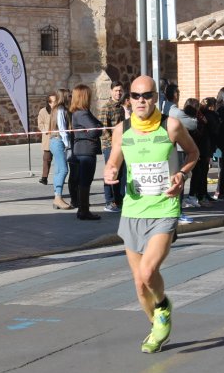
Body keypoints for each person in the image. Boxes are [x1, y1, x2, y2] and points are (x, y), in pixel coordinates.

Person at [104, 75, 198, 353]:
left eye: (147, 95)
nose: (141, 101)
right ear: (128, 99)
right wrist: (110, 171)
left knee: (147, 272)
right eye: (136, 96)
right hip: (132, 210)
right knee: (139, 284)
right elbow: (113, 161)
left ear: (155, 97)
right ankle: (158, 322)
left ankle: (162, 307)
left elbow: (193, 153)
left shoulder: (171, 126)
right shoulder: (122, 130)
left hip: (164, 208)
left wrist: (181, 173)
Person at [162, 84, 197, 223]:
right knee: (178, 179)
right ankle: (178, 212)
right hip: (178, 149)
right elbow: (192, 124)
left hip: (166, 148)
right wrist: (196, 118)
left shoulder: (163, 107)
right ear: (175, 94)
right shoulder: (175, 111)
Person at [71, 84, 103, 220]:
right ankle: (84, 210)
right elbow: (96, 130)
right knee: (85, 181)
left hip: (81, 150)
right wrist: (94, 131)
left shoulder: (80, 112)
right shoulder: (82, 113)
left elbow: (98, 125)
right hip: (86, 150)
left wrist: (96, 128)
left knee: (82, 180)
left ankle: (82, 209)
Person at [99, 81, 125, 213]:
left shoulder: (121, 107)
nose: (118, 93)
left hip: (121, 146)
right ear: (111, 91)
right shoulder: (106, 107)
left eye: (120, 90)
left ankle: (119, 201)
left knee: (121, 174)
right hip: (109, 145)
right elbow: (104, 130)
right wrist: (114, 143)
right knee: (110, 172)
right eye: (116, 90)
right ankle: (109, 201)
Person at [48, 88, 73, 210]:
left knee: (58, 170)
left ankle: (57, 196)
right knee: (63, 170)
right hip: (58, 141)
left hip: (54, 140)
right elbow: (63, 129)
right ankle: (57, 197)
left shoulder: (55, 109)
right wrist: (67, 144)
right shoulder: (61, 109)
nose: (70, 97)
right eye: (69, 95)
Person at [37, 93, 56, 185]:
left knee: (60, 159)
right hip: (48, 138)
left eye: (55, 101)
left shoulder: (59, 111)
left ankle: (60, 176)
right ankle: (44, 177)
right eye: (52, 101)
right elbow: (40, 124)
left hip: (58, 139)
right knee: (47, 159)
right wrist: (47, 128)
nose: (54, 103)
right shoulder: (43, 111)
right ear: (48, 102)